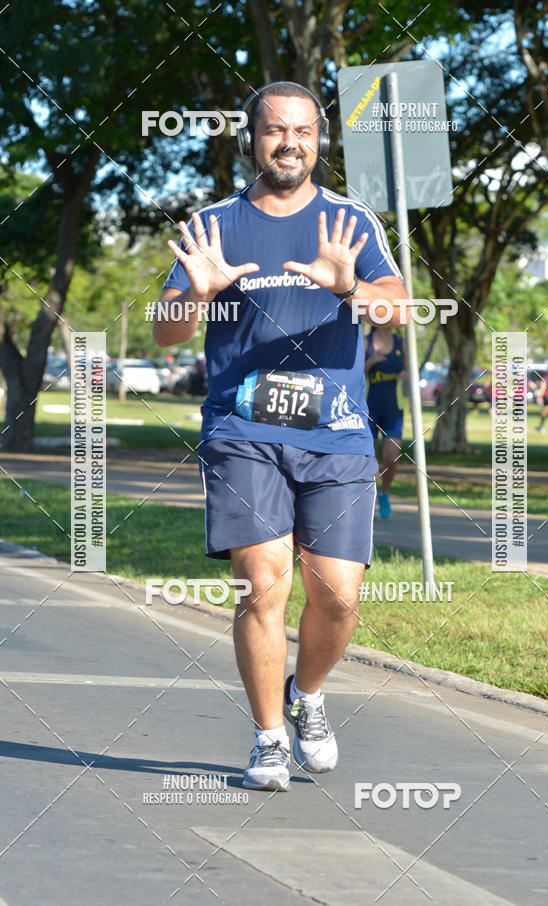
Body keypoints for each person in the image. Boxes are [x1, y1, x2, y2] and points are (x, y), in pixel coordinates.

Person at [153, 81, 408, 791]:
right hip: (243, 429)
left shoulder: (351, 221)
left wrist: (349, 289)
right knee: (264, 584)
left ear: (319, 141)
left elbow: (401, 308)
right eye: (275, 131)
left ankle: (308, 695)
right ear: (253, 139)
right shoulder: (215, 223)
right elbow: (164, 328)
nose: (289, 142)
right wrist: (192, 297)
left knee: (339, 596)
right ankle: (268, 740)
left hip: (339, 432)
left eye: (302, 131)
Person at [364, 325, 406, 517]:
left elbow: (409, 370)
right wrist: (371, 361)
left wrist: (406, 374)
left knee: (391, 457)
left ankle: (385, 493)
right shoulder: (366, 342)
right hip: (369, 406)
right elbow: (355, 373)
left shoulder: (401, 343)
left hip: (393, 408)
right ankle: (369, 497)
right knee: (370, 459)